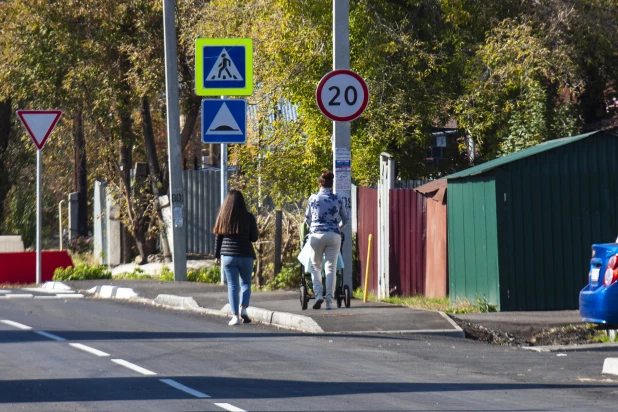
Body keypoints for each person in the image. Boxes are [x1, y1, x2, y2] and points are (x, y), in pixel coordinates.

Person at [304, 170, 349, 310]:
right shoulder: (337, 199)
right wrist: (337, 227)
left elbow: (307, 219)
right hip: (333, 235)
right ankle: (329, 301)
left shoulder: (312, 198)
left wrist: (314, 227)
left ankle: (318, 296)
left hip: (316, 235)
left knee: (316, 266)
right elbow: (345, 219)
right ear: (331, 184)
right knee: (331, 268)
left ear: (319, 184)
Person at [213, 190, 258, 325]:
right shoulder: (249, 217)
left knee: (232, 286)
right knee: (245, 283)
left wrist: (216, 256)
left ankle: (235, 316)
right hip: (246, 255)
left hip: (228, 256)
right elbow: (254, 238)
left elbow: (218, 238)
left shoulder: (223, 216)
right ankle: (244, 308)